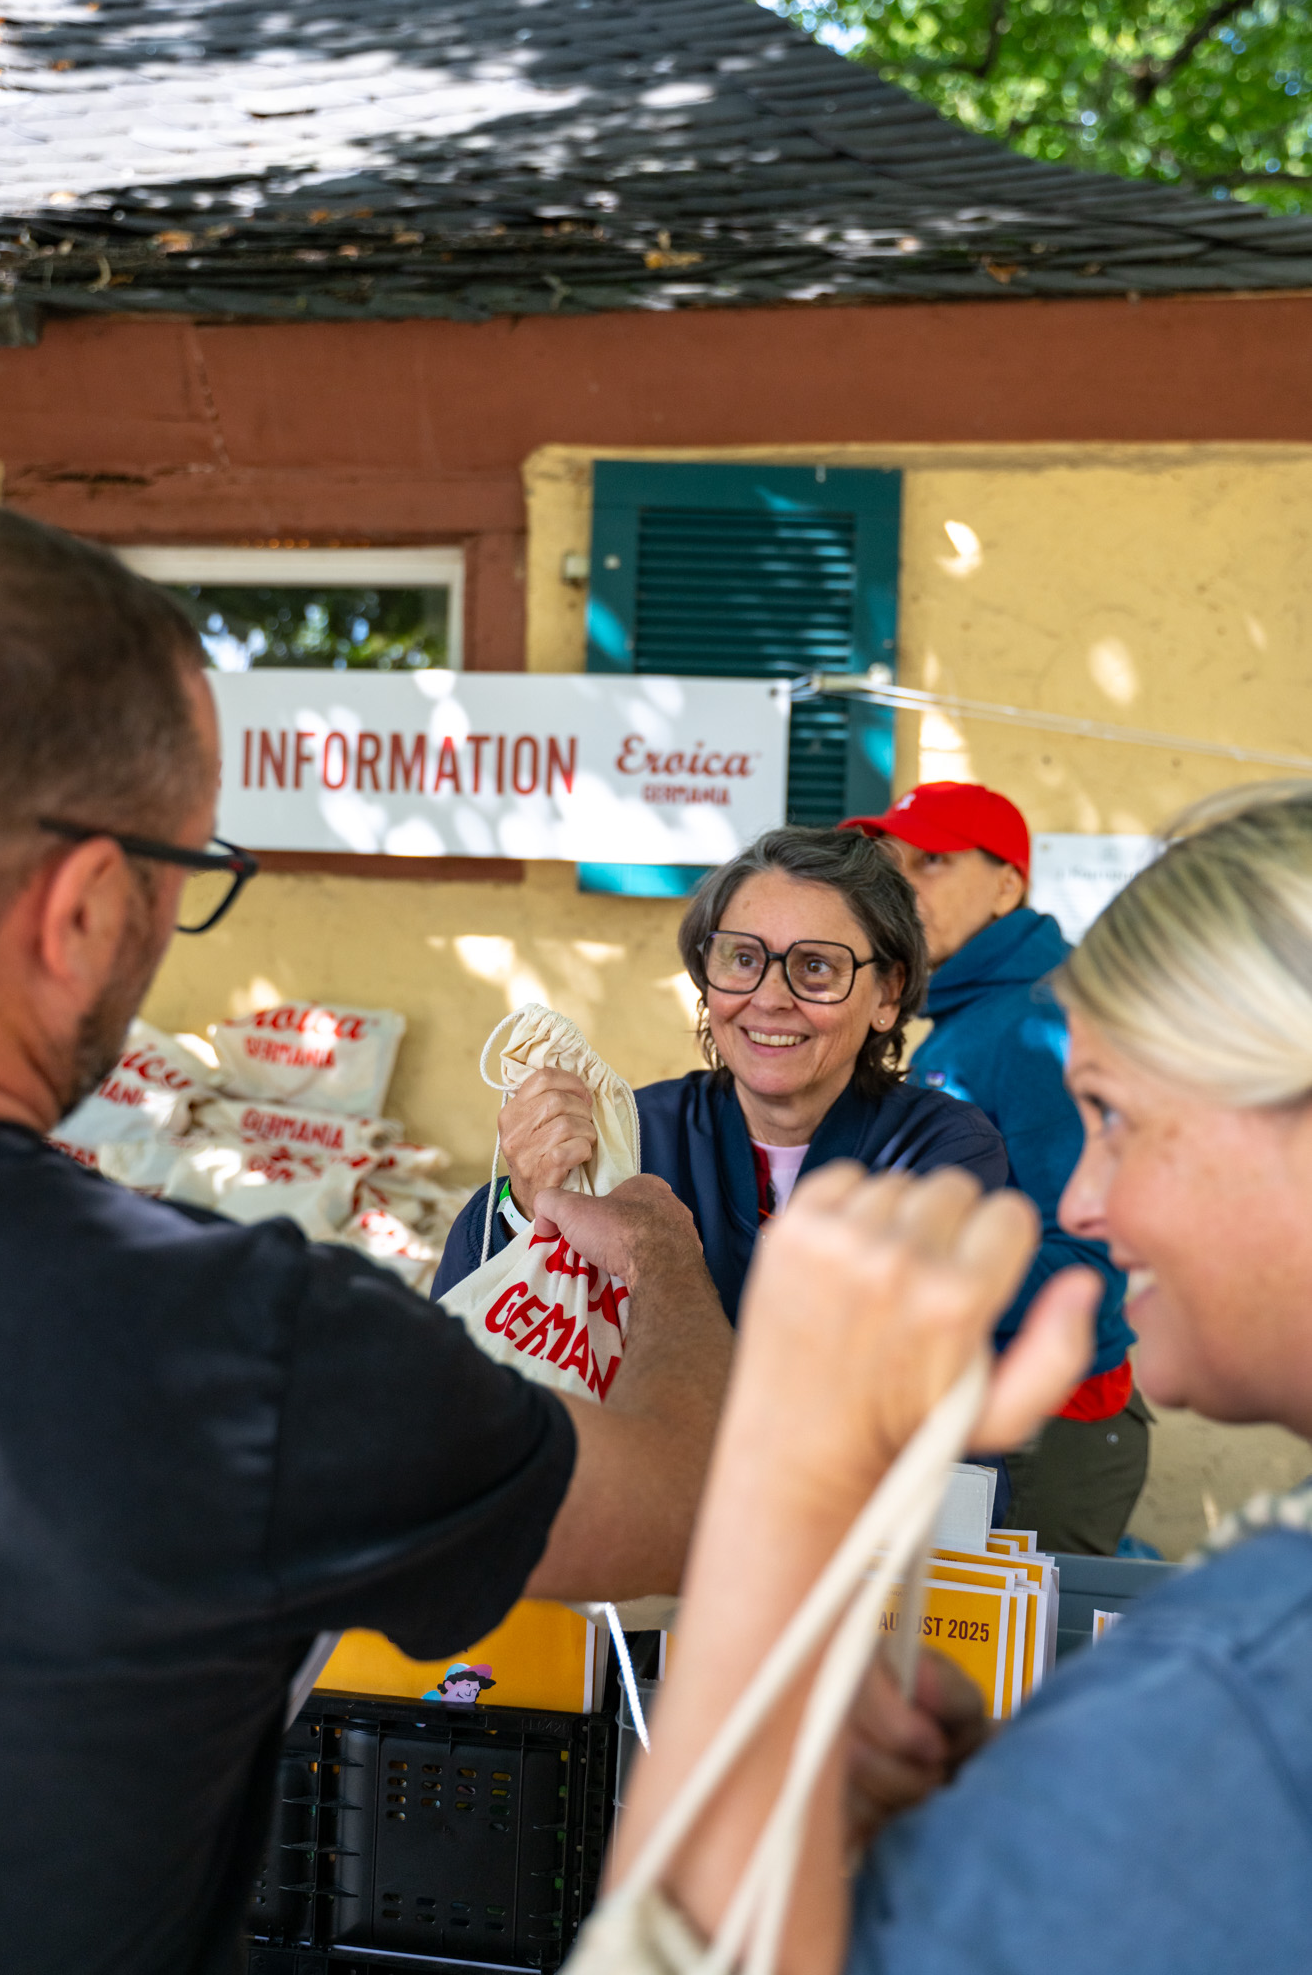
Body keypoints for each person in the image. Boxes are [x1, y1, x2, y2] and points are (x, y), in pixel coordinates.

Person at [0, 507, 734, 1975]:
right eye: (184, 877)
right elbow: (690, 1500)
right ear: (83, 909)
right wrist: (658, 1252)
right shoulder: (236, 1345)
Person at [604, 780, 1312, 1975]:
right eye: (741, 958)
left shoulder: (1234, 1678)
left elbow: (685, 1952)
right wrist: (1016, 1799)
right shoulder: (1227, 1673)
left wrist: (779, 1501)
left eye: (1117, 1115)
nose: (1083, 1199)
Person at [436, 825, 1009, 1323]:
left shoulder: (942, 1151)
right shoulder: (632, 1136)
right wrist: (526, 1202)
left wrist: (656, 1257)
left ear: (887, 993)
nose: (770, 997)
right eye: (743, 959)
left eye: (816, 966)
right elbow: (470, 1327)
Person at [842, 781, 1145, 1554]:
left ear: (1008, 886)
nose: (901, 884)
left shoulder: (1036, 1022)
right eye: (890, 863)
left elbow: (1089, 1262)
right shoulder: (973, 1013)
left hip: (1047, 1430)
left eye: (933, 861)